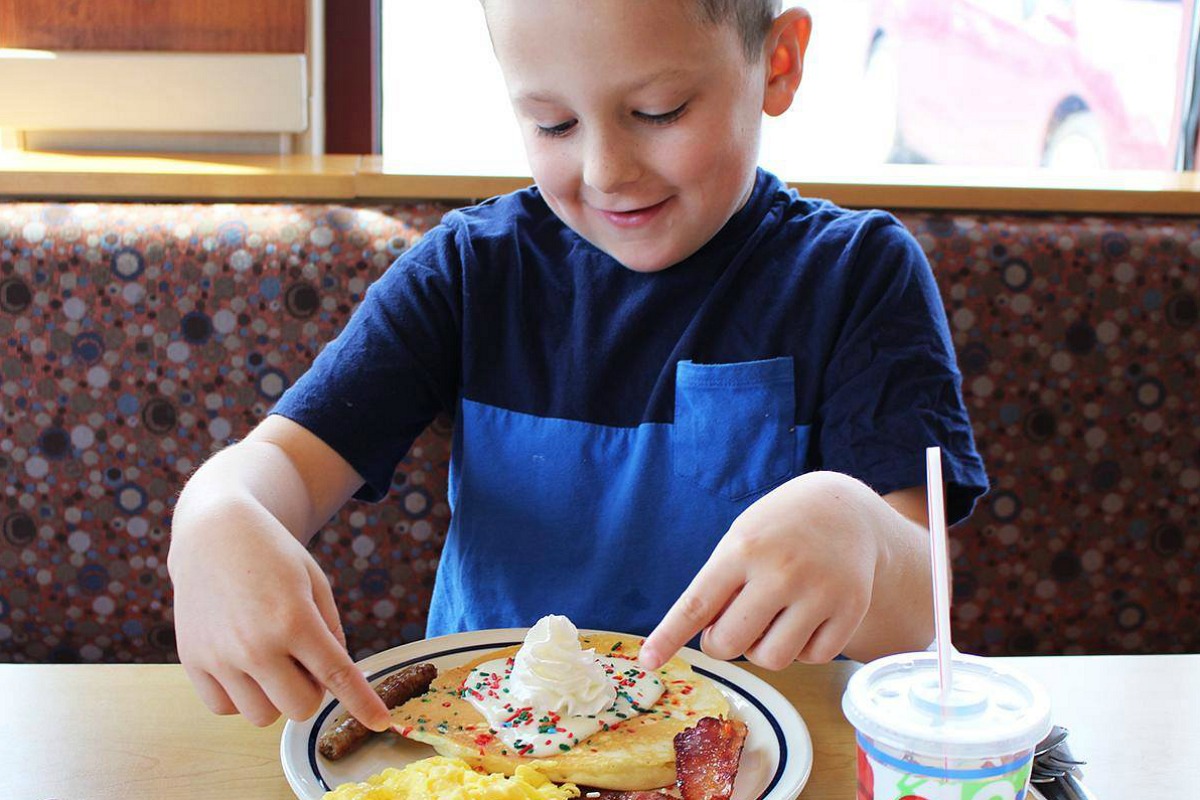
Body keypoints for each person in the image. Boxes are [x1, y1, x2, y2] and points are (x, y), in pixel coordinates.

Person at [168, 0, 988, 733]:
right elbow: (280, 467)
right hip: (489, 762)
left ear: (778, 62)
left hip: (755, 762)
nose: (605, 171)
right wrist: (211, 517)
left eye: (657, 111)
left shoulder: (855, 274)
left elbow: (925, 609)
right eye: (553, 125)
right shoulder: (468, 272)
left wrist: (861, 534)